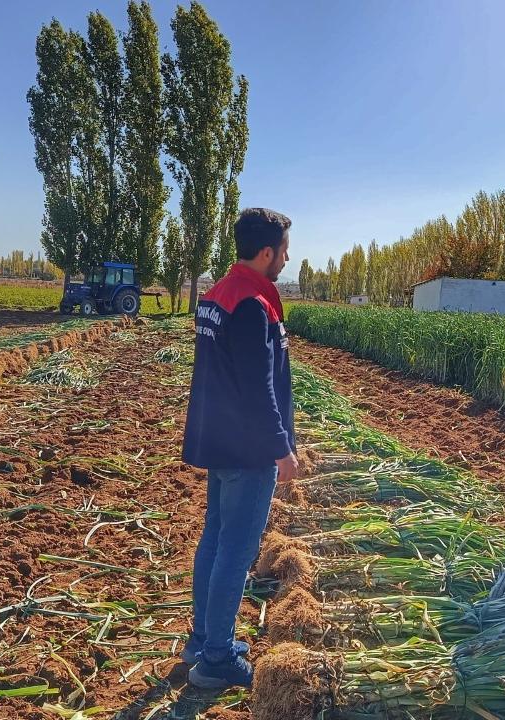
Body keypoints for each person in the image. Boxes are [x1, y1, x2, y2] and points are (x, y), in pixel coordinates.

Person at [180, 208, 297, 689]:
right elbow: (258, 387)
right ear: (266, 252)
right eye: (285, 251)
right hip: (248, 448)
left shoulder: (216, 296)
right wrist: (281, 448)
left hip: (220, 438)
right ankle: (216, 659)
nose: (287, 260)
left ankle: (204, 637)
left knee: (216, 537)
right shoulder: (251, 303)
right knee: (236, 549)